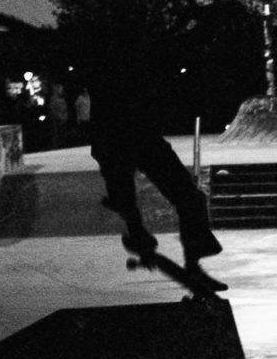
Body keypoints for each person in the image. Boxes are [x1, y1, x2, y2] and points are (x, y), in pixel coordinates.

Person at [88, 66, 225, 289]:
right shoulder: (103, 61)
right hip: (114, 139)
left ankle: (193, 263)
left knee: (190, 197)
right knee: (126, 197)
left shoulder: (140, 57)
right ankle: (136, 231)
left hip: (143, 137)